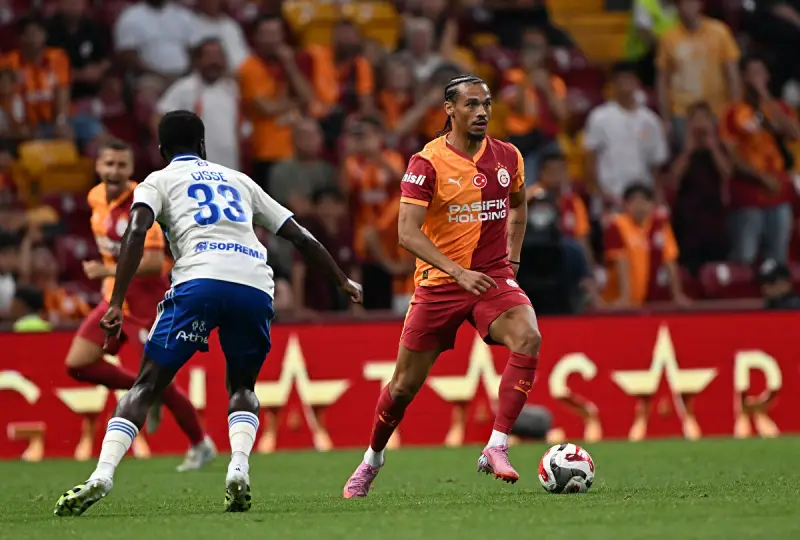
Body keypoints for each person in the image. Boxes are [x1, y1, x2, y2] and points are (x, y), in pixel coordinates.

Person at [54, 110, 362, 516]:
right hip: (254, 285)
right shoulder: (239, 180)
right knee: (242, 386)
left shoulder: (157, 181)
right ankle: (238, 467)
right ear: (202, 145)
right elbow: (299, 235)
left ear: (161, 150)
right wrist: (342, 280)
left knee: (146, 385)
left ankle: (102, 475)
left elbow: (135, 231)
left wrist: (115, 301)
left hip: (199, 282)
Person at [342, 75, 537, 498]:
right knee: (402, 388)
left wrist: (513, 260)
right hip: (439, 285)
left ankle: (496, 445)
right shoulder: (426, 163)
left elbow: (519, 208)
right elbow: (407, 234)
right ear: (449, 109)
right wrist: (458, 272)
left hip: (491, 275)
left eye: (486, 104)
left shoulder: (508, 156)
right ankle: (372, 459)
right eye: (471, 104)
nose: (481, 112)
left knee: (528, 337)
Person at [63, 139, 214, 471]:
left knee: (161, 379)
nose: (114, 170)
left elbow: (155, 263)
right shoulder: (95, 197)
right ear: (98, 166)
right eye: (109, 163)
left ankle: (201, 443)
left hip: (147, 304)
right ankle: (144, 390)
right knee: (77, 364)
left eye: (121, 165)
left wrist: (106, 270)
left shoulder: (142, 203)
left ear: (131, 169)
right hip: (115, 300)